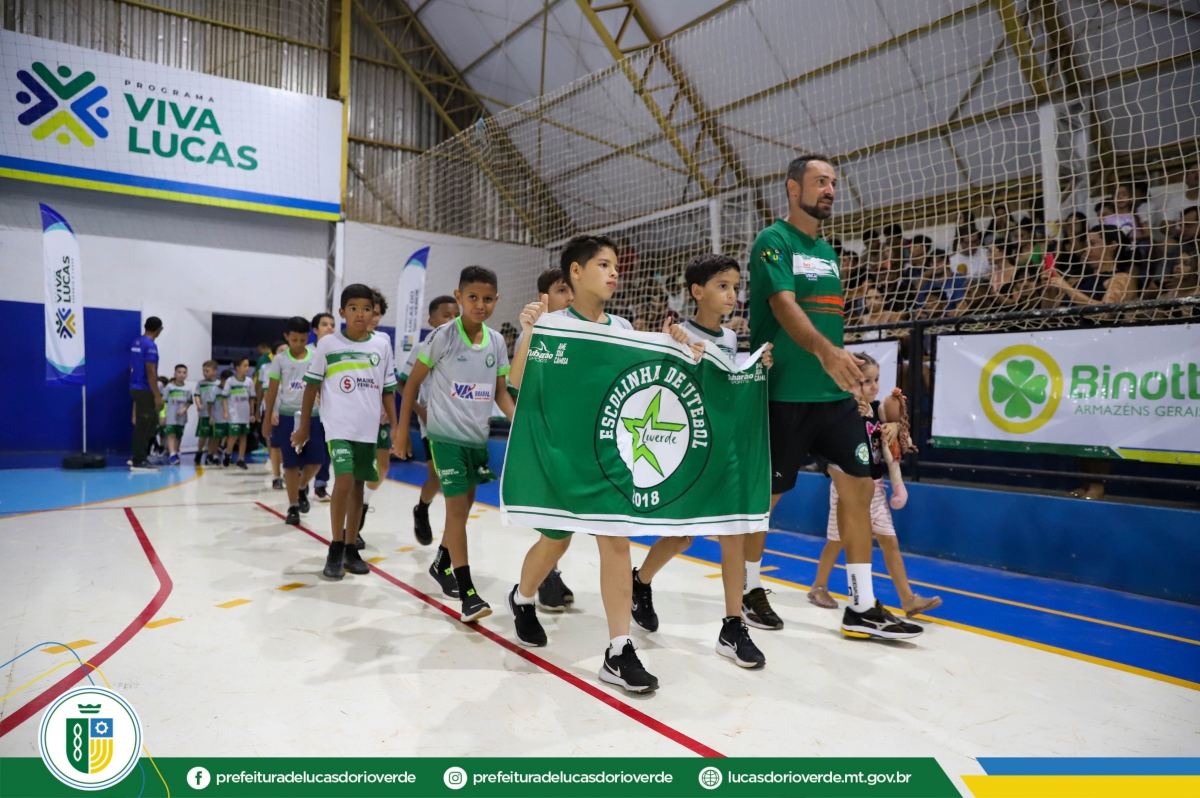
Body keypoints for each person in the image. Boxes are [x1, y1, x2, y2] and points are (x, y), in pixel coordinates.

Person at [505, 234, 695, 692]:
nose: (614, 272)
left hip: (609, 456)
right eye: (604, 265)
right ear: (576, 272)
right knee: (555, 543)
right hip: (561, 456)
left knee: (616, 542)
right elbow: (517, 382)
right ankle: (523, 597)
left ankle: (618, 650)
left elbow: (654, 380)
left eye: (615, 266)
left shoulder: (624, 328)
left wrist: (680, 347)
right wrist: (529, 331)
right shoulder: (553, 324)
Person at [749, 154, 922, 640]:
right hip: (784, 394)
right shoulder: (773, 241)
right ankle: (747, 587)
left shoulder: (828, 252)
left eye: (833, 183)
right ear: (793, 188)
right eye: (819, 181)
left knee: (861, 487)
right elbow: (784, 306)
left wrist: (838, 363)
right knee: (767, 499)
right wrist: (826, 351)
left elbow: (826, 319)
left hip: (834, 395)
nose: (829, 190)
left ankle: (861, 605)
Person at [628, 253, 771, 668]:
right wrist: (670, 345)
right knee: (682, 537)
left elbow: (730, 386)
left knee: (733, 532)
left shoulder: (730, 338)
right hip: (688, 450)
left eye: (735, 287)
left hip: (724, 449)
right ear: (697, 291)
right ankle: (640, 582)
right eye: (723, 286)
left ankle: (732, 626)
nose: (732, 294)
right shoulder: (677, 333)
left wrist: (758, 368)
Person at [395, 267, 515, 622]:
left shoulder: (496, 341)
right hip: (445, 438)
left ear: (496, 300)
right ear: (459, 296)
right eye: (473, 297)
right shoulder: (442, 336)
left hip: (476, 440)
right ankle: (468, 595)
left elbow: (501, 392)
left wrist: (520, 422)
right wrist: (401, 430)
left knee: (464, 508)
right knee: (457, 512)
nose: (480, 304)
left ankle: (441, 563)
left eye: (488, 299)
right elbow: (411, 383)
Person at [807, 354, 942, 618]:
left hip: (876, 488)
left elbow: (894, 428)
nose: (873, 386)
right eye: (866, 381)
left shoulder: (878, 409)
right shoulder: (845, 411)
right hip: (848, 489)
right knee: (838, 541)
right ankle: (818, 586)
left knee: (889, 540)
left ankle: (908, 599)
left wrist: (894, 427)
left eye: (876, 380)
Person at [293, 284, 397, 580]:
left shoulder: (382, 345)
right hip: (338, 428)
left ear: (374, 313)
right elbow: (311, 386)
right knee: (345, 479)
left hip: (368, 429)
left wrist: (398, 428)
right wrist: (304, 427)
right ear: (342, 312)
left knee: (359, 486)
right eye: (353, 308)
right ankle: (336, 547)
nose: (360, 314)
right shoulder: (328, 344)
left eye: (366, 309)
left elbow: (388, 391)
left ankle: (351, 548)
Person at [509, 268, 575, 612]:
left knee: (577, 528)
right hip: (549, 439)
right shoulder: (536, 332)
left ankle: (549, 574)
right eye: (562, 290)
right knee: (557, 527)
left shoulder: (603, 327)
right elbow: (516, 382)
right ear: (544, 297)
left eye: (572, 289)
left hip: (585, 441)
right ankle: (543, 579)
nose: (570, 296)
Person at [401, 295, 460, 546]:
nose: (452, 320)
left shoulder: (468, 349)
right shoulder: (422, 348)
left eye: (456, 315)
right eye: (446, 315)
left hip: (462, 423)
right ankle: (422, 509)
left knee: (460, 483)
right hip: (432, 423)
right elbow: (403, 383)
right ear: (432, 321)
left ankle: (452, 541)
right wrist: (419, 410)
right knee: (436, 477)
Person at [262, 317, 325, 526]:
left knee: (316, 461)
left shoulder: (316, 357)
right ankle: (293, 505)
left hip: (312, 415)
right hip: (288, 416)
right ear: (286, 337)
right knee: (290, 464)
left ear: (309, 337)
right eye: (294, 340)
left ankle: (301, 486)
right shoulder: (280, 360)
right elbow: (272, 391)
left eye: (303, 340)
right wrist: (267, 418)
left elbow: (322, 385)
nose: (298, 344)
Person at [357, 289, 394, 549]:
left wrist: (387, 409)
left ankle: (363, 502)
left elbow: (387, 377)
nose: (373, 317)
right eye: (370, 311)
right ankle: (349, 531)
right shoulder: (343, 340)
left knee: (382, 467)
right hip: (352, 417)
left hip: (377, 415)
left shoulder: (383, 340)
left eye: (378, 313)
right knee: (354, 474)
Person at [129, 317, 164, 471]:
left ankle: (141, 455)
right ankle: (139, 460)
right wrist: (157, 395)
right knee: (144, 424)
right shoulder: (150, 345)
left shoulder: (136, 342)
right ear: (159, 329)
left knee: (152, 422)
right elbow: (151, 370)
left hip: (135, 386)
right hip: (144, 388)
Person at [310, 312, 337, 502]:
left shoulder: (337, 352)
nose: (330, 328)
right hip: (305, 410)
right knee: (305, 449)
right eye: (325, 324)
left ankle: (320, 485)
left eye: (332, 325)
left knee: (325, 451)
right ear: (315, 329)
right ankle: (300, 482)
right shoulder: (307, 352)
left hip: (328, 410)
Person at [224, 357, 258, 470]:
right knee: (233, 436)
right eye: (245, 366)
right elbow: (224, 397)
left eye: (248, 365)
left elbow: (252, 398)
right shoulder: (230, 381)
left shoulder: (249, 382)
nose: (247, 368)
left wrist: (252, 413)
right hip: (233, 413)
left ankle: (241, 459)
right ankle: (228, 452)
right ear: (237, 368)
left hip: (245, 413)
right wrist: (225, 412)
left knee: (244, 436)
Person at [162, 364, 192, 466]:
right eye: (179, 372)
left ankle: (175, 451)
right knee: (171, 435)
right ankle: (172, 455)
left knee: (178, 435)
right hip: (170, 415)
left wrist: (184, 410)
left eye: (184, 372)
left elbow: (189, 402)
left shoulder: (187, 389)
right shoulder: (169, 387)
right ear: (174, 374)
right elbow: (164, 401)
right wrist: (162, 415)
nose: (181, 374)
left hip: (181, 417)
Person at [194, 360, 219, 466]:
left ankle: (210, 454)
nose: (205, 373)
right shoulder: (201, 383)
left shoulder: (218, 384)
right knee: (203, 435)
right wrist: (198, 404)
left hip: (215, 414)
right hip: (204, 414)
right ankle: (199, 452)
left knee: (213, 435)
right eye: (203, 371)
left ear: (214, 371)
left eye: (207, 371)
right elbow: (197, 395)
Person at [213, 369, 233, 465]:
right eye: (225, 381)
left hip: (230, 417)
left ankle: (227, 453)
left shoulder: (232, 390)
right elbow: (210, 404)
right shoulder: (215, 390)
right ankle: (215, 455)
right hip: (218, 417)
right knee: (216, 437)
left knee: (231, 435)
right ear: (220, 379)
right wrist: (211, 416)